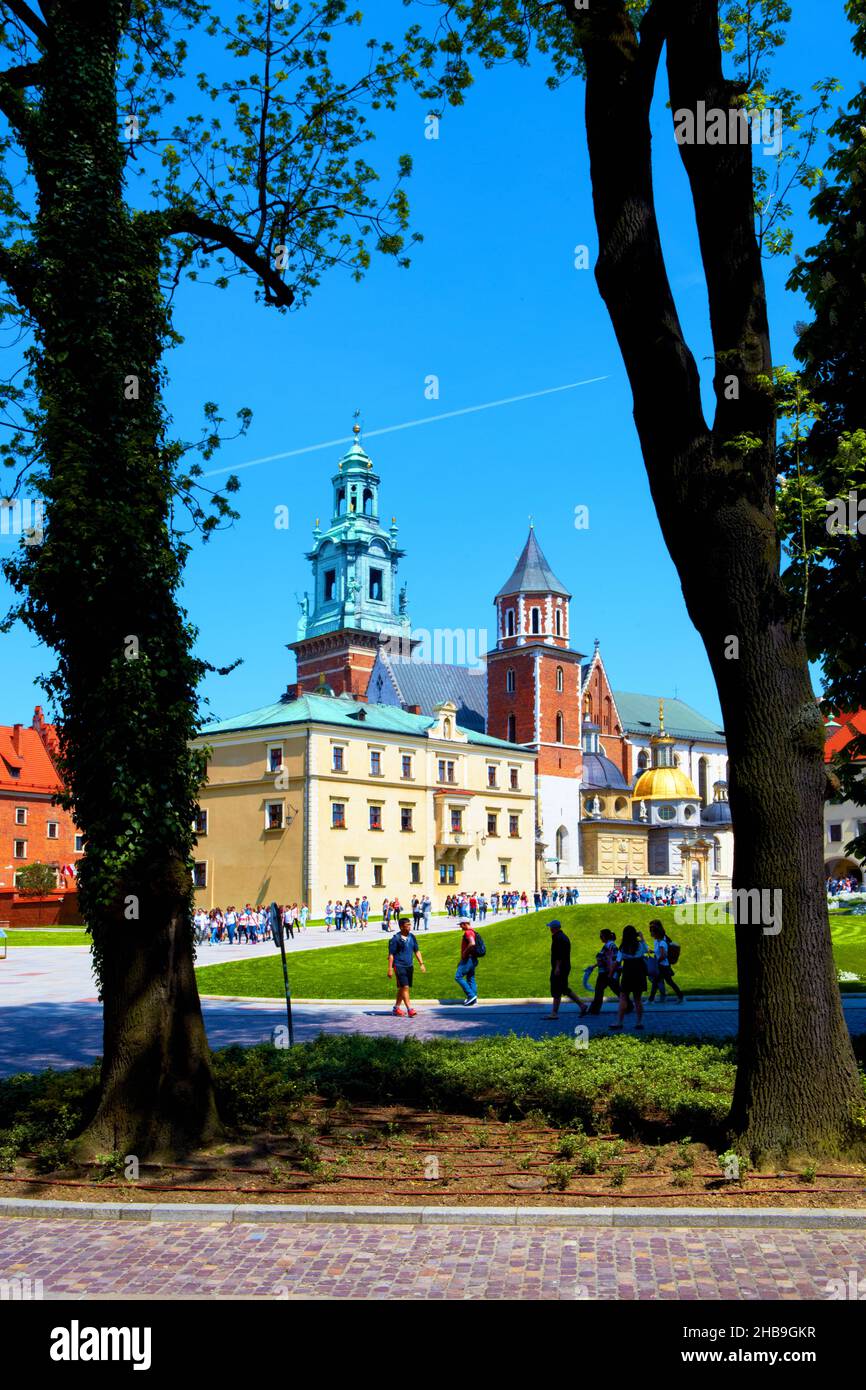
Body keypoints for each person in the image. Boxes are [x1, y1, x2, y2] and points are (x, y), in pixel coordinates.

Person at [545, 920, 589, 1019]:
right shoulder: (562, 937)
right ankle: (582, 1005)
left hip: (560, 968)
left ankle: (554, 1013)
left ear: (555, 928)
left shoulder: (558, 938)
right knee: (564, 988)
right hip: (564, 967)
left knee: (556, 988)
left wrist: (557, 967)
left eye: (551, 927)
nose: (550, 929)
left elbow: (559, 954)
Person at [609, 924, 648, 1031]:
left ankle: (619, 1022)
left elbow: (617, 962)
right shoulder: (640, 945)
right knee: (638, 999)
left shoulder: (623, 947)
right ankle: (639, 1022)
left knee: (623, 998)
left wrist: (611, 974)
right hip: (639, 973)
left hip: (627, 973)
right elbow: (647, 950)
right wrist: (642, 937)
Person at [387, 915, 426, 1017]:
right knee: (405, 987)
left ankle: (396, 1008)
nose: (410, 927)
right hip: (399, 966)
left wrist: (421, 963)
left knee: (402, 988)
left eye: (410, 924)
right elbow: (391, 955)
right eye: (407, 925)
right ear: (401, 927)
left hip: (409, 966)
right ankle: (410, 1009)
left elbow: (416, 951)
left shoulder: (412, 937)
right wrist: (390, 969)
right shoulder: (395, 939)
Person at [647, 920, 684, 1003]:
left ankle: (680, 997)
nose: (650, 933)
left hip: (663, 965)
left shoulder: (662, 941)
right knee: (659, 981)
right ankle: (652, 999)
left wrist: (657, 961)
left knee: (663, 981)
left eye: (652, 930)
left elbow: (664, 954)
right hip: (662, 965)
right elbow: (661, 952)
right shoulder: (659, 940)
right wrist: (653, 951)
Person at [455, 917, 479, 1006]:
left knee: (458, 977)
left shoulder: (468, 932)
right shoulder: (473, 931)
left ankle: (471, 995)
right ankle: (474, 998)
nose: (460, 927)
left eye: (461, 925)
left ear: (465, 924)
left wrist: (464, 953)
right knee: (470, 977)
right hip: (473, 959)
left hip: (468, 959)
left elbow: (472, 943)